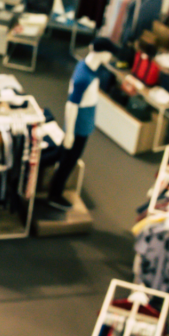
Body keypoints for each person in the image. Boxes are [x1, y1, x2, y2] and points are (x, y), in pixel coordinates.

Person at [48, 38, 115, 211]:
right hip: (78, 126)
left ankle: (51, 184)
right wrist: (70, 133)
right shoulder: (84, 77)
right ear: (104, 53)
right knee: (68, 160)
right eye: (110, 53)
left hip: (83, 122)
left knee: (64, 156)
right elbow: (71, 105)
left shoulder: (87, 68)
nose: (111, 57)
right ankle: (54, 195)